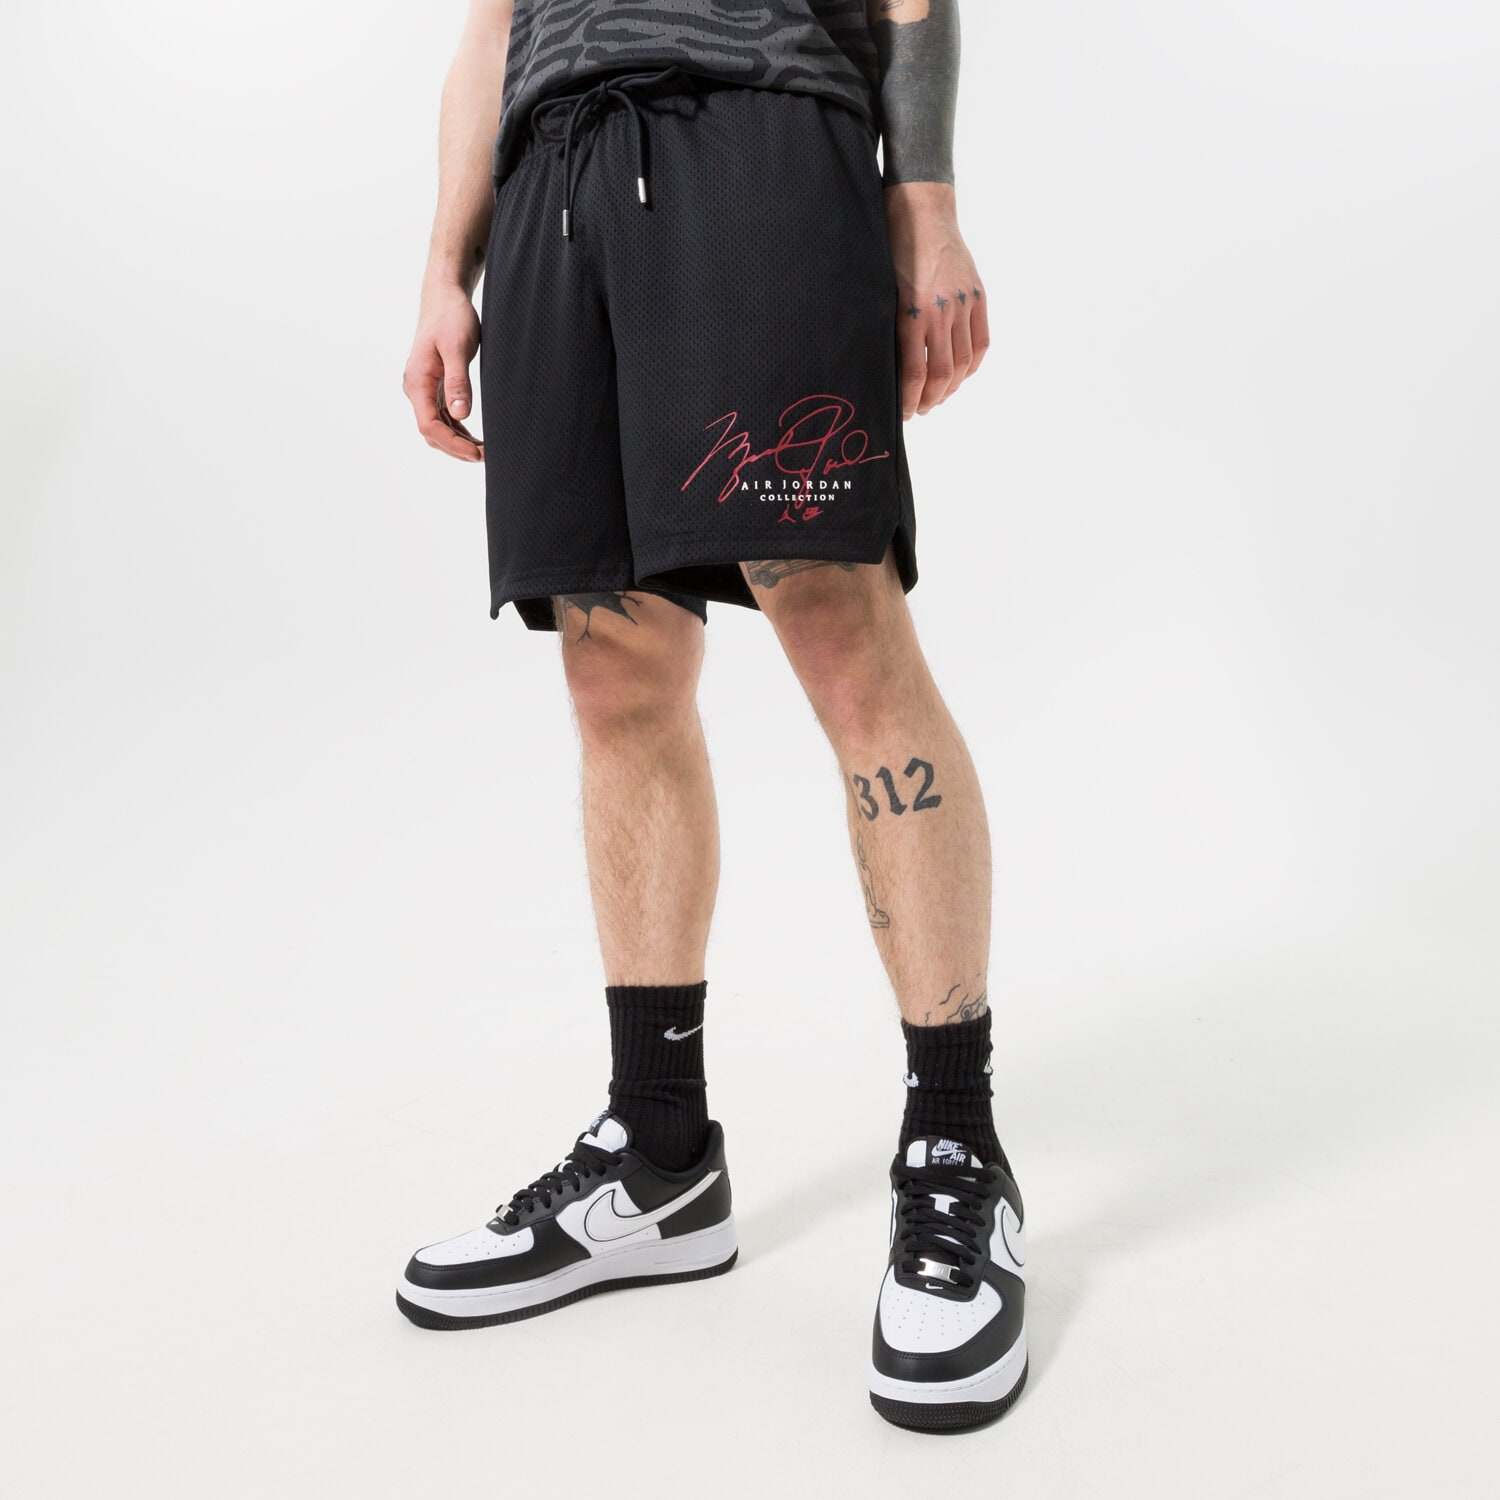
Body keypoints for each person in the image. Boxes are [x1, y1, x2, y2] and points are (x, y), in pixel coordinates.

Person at [397, 0, 1025, 1433]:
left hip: (759, 134)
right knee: (611, 669)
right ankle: (659, 1150)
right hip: (553, 176)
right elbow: (488, 30)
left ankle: (954, 1149)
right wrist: (445, 266)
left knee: (842, 631)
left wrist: (925, 212)